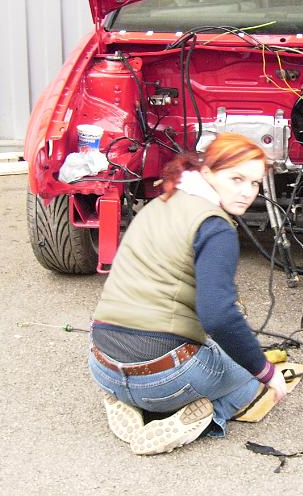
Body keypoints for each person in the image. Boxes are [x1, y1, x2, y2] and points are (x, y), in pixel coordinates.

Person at [88, 133, 289, 455]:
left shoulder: (159, 203)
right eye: (236, 178)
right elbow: (219, 316)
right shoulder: (216, 226)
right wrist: (266, 372)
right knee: (252, 381)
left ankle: (133, 405)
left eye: (254, 183)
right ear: (208, 172)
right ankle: (200, 418)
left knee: (215, 352)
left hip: (102, 365)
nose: (246, 192)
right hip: (164, 377)